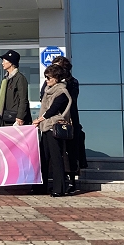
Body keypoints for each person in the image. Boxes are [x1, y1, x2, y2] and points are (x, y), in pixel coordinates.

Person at [34, 65, 73, 197]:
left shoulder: (62, 91)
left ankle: (59, 188)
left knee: (56, 158)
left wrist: (39, 119)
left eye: (49, 77)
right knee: (43, 158)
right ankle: (40, 187)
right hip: (45, 127)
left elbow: (53, 109)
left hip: (54, 126)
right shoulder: (47, 90)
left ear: (56, 78)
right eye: (46, 77)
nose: (46, 80)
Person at [53, 55, 86, 189]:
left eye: (57, 67)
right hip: (55, 118)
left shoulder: (72, 82)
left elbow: (70, 99)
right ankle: (61, 179)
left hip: (69, 119)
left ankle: (72, 180)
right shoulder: (51, 81)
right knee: (58, 150)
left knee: (71, 150)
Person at [0, 50, 30, 127]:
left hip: (15, 119)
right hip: (5, 118)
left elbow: (23, 99)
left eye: (4, 61)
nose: (2, 63)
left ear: (11, 62)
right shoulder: (5, 79)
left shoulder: (20, 78)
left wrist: (20, 117)